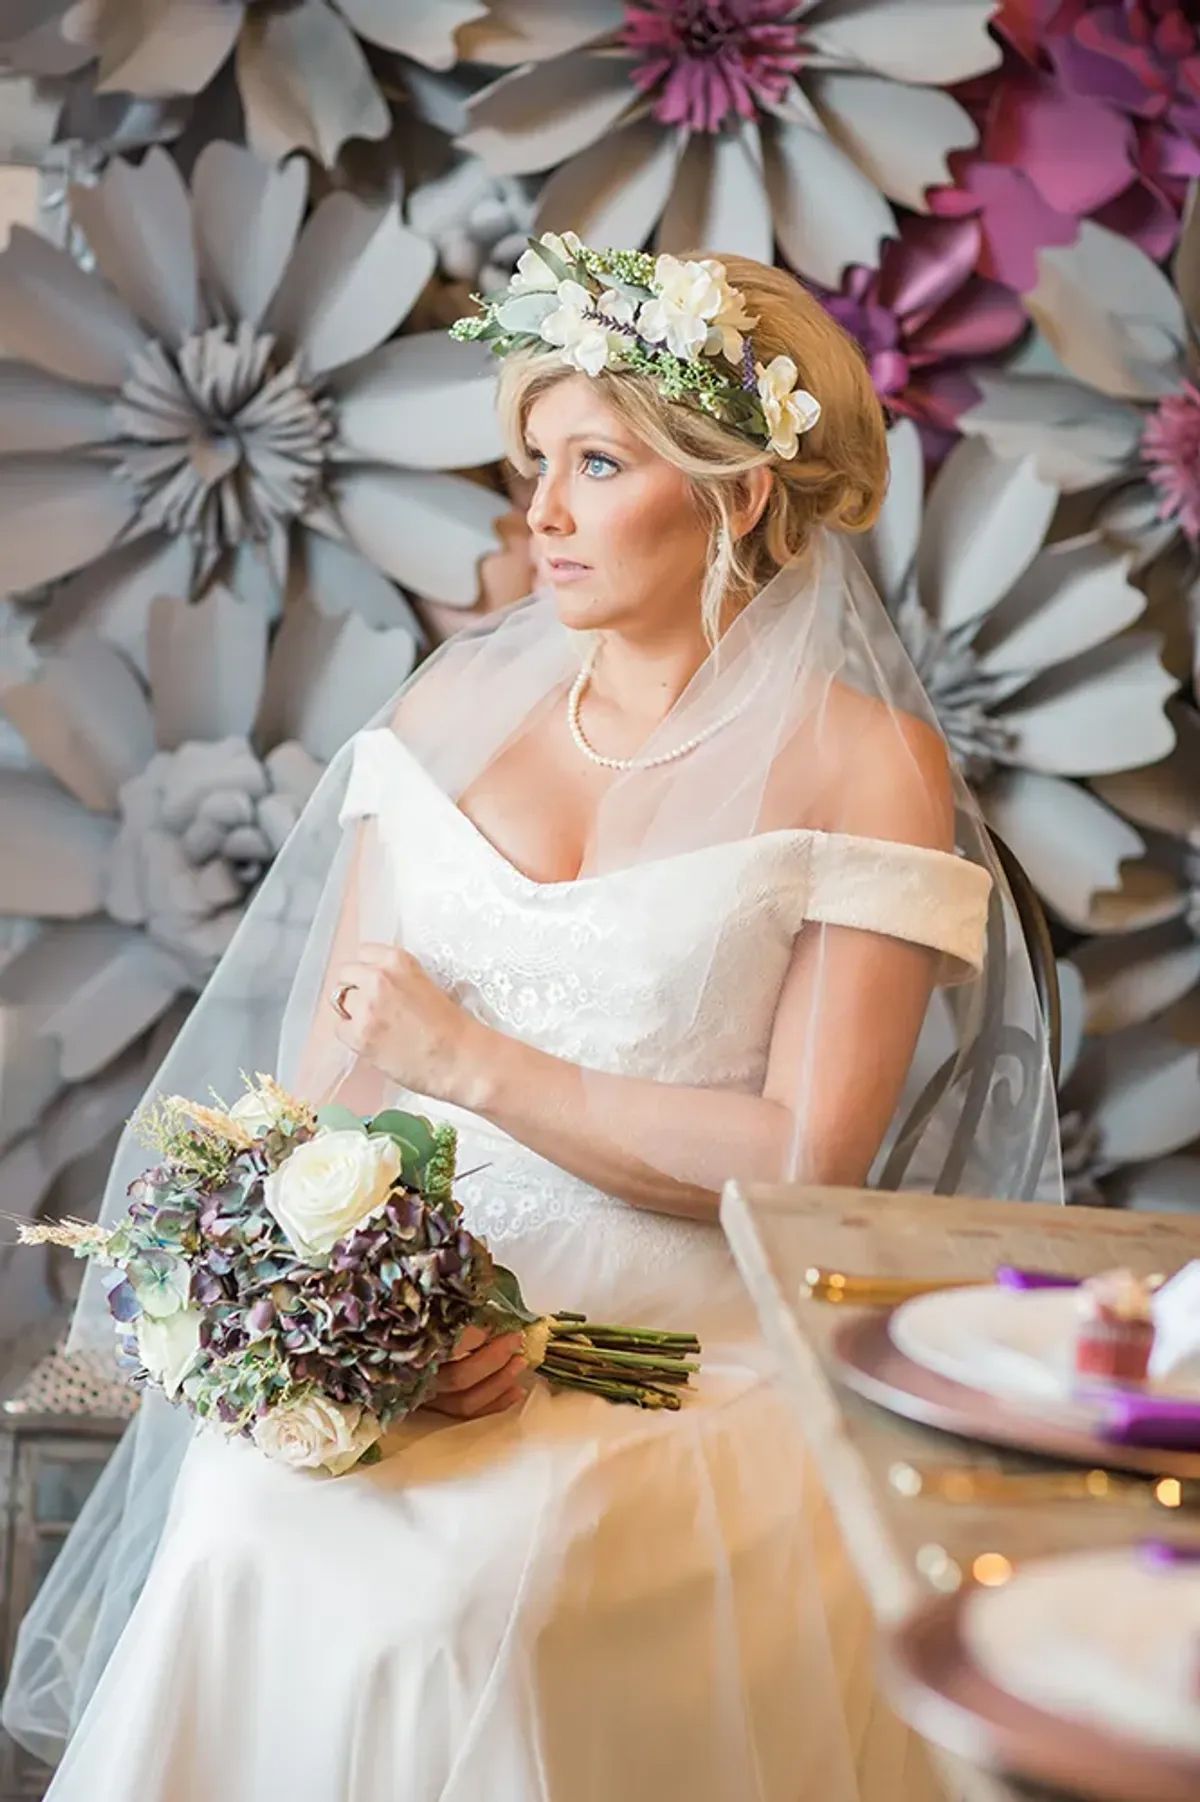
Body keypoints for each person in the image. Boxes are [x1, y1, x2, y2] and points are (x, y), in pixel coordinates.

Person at [2, 239, 1061, 1801]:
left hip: (678, 1355)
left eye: (595, 463)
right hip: (423, 1331)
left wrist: (480, 1063)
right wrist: (382, 1322)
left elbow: (803, 1157)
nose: (540, 514)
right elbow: (323, 1098)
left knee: (457, 1596)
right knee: (240, 1517)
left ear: (737, 494)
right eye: (533, 463)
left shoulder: (865, 764)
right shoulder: (450, 705)